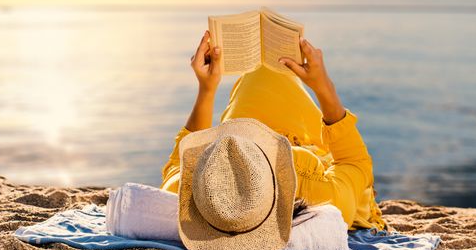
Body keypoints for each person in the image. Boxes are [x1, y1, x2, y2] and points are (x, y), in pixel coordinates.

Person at [160, 30, 387, 232]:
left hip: (241, 142)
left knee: (260, 71)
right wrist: (323, 85)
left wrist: (207, 89)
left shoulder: (195, 189)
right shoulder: (323, 197)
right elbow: (356, 162)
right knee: (266, 71)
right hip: (294, 138)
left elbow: (181, 157)